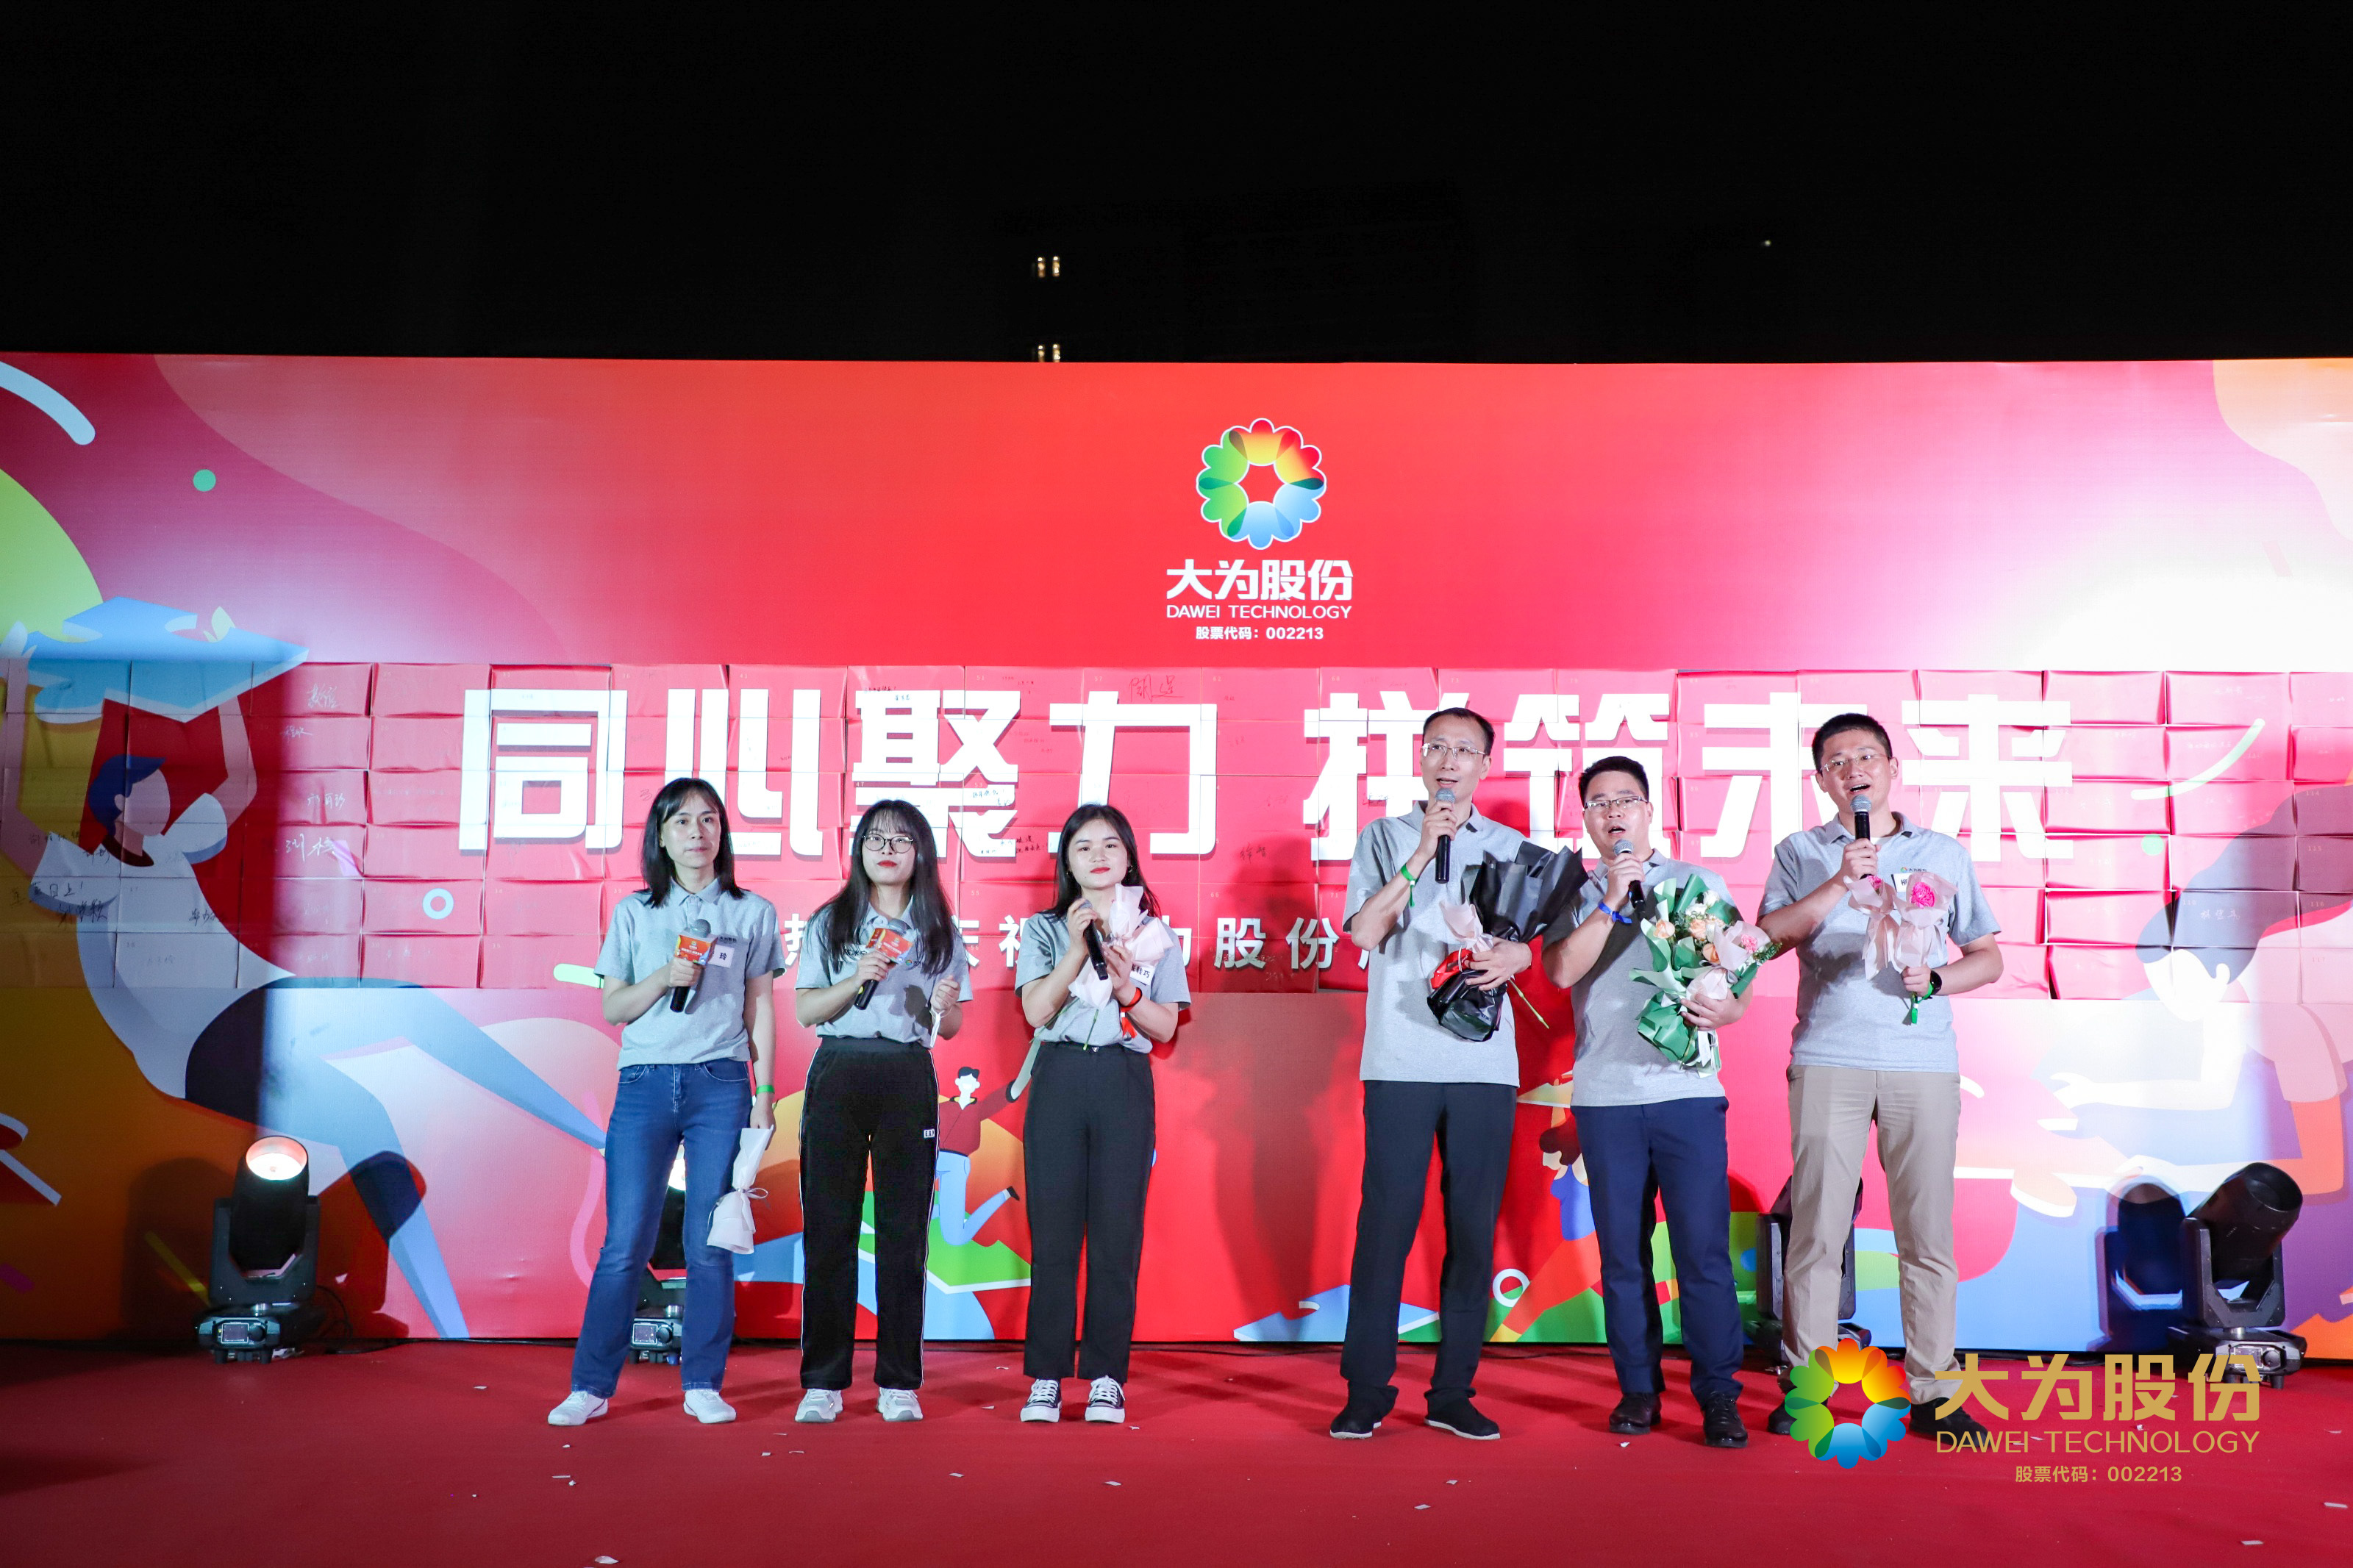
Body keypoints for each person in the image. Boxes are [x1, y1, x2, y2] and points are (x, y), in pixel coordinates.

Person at [1, 661, 603, 1341]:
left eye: (162, 780)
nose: (163, 791)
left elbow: (240, 783)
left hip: (263, 1002)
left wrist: (229, 695)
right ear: (117, 805)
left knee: (409, 1006)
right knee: (367, 1118)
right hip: (197, 1044)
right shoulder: (89, 876)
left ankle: (591, 1138)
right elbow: (7, 817)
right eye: (147, 784)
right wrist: (15, 691)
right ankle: (453, 1322)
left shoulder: (171, 851)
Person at [1755, 713, 1999, 1441]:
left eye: (1867, 756)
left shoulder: (1942, 853)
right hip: (1828, 1056)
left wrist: (1937, 980)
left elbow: (1986, 956)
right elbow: (1766, 940)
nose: (1854, 770)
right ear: (1821, 780)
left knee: (1925, 1232)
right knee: (1817, 1231)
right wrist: (1840, 880)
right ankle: (1806, 1387)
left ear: (1892, 768)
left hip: (1920, 1062)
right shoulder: (1801, 851)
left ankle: (1934, 1391)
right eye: (1838, 761)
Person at [1330, 706, 1535, 1442]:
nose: (1449, 761)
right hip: (1400, 1062)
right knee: (1385, 1224)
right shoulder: (1384, 836)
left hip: (1483, 1065)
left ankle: (1452, 1390)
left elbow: (1543, 944)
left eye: (1464, 750)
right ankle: (1365, 1390)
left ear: (1485, 764)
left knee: (1471, 1230)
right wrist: (1421, 852)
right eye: (1437, 748)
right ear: (1419, 758)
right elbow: (1363, 932)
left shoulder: (1513, 849)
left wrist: (1520, 955)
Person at [550, 778, 779, 1427]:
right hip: (645, 1082)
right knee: (626, 1239)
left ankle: (703, 1382)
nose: (697, 832)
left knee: (710, 1242)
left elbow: (760, 1004)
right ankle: (591, 1385)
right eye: (682, 821)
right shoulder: (634, 912)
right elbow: (614, 1006)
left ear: (722, 833)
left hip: (720, 1082)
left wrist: (764, 1090)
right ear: (661, 835)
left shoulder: (752, 911)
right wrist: (664, 976)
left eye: (709, 820)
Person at [1541, 755, 1752, 1447]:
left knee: (1702, 1251)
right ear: (1586, 818)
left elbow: (1738, 973)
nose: (1614, 813)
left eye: (1625, 800)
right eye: (1599, 803)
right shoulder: (1574, 892)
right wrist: (1610, 897)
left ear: (1648, 810)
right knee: (1623, 1256)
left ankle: (1718, 1393)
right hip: (1606, 1097)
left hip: (1687, 1092)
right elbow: (1561, 969)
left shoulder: (1697, 883)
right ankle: (1638, 1389)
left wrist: (1729, 1010)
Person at [790, 798, 971, 1424]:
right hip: (839, 1069)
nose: (887, 850)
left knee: (904, 1234)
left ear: (921, 852)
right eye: (875, 839)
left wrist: (943, 1005)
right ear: (859, 851)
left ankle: (899, 1380)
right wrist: (855, 977)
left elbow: (951, 1026)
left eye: (901, 840)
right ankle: (824, 1380)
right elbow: (806, 1010)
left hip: (907, 1074)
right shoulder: (832, 921)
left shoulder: (939, 928)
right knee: (829, 1231)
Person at [1013, 803, 1187, 1425]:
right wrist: (1073, 948)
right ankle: (1046, 1377)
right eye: (1083, 846)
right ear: (1067, 861)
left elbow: (1166, 1027)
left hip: (1122, 1080)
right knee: (1054, 1234)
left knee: (1117, 1234)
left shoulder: (1154, 934)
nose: (1098, 856)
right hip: (1060, 1076)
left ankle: (1107, 1375)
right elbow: (1036, 1010)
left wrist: (1125, 988)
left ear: (1129, 856)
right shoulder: (1041, 929)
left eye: (1110, 844)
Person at [936, 1064, 1022, 1247]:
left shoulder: (979, 1109)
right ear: (958, 1082)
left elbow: (1005, 1097)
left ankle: (1004, 1195)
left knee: (955, 1238)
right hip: (932, 1158)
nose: (968, 1084)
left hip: (957, 1164)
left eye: (972, 1081)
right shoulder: (942, 1108)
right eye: (965, 1080)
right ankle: (942, 1211)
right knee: (909, 1203)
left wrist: (1025, 1074)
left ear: (977, 1085)